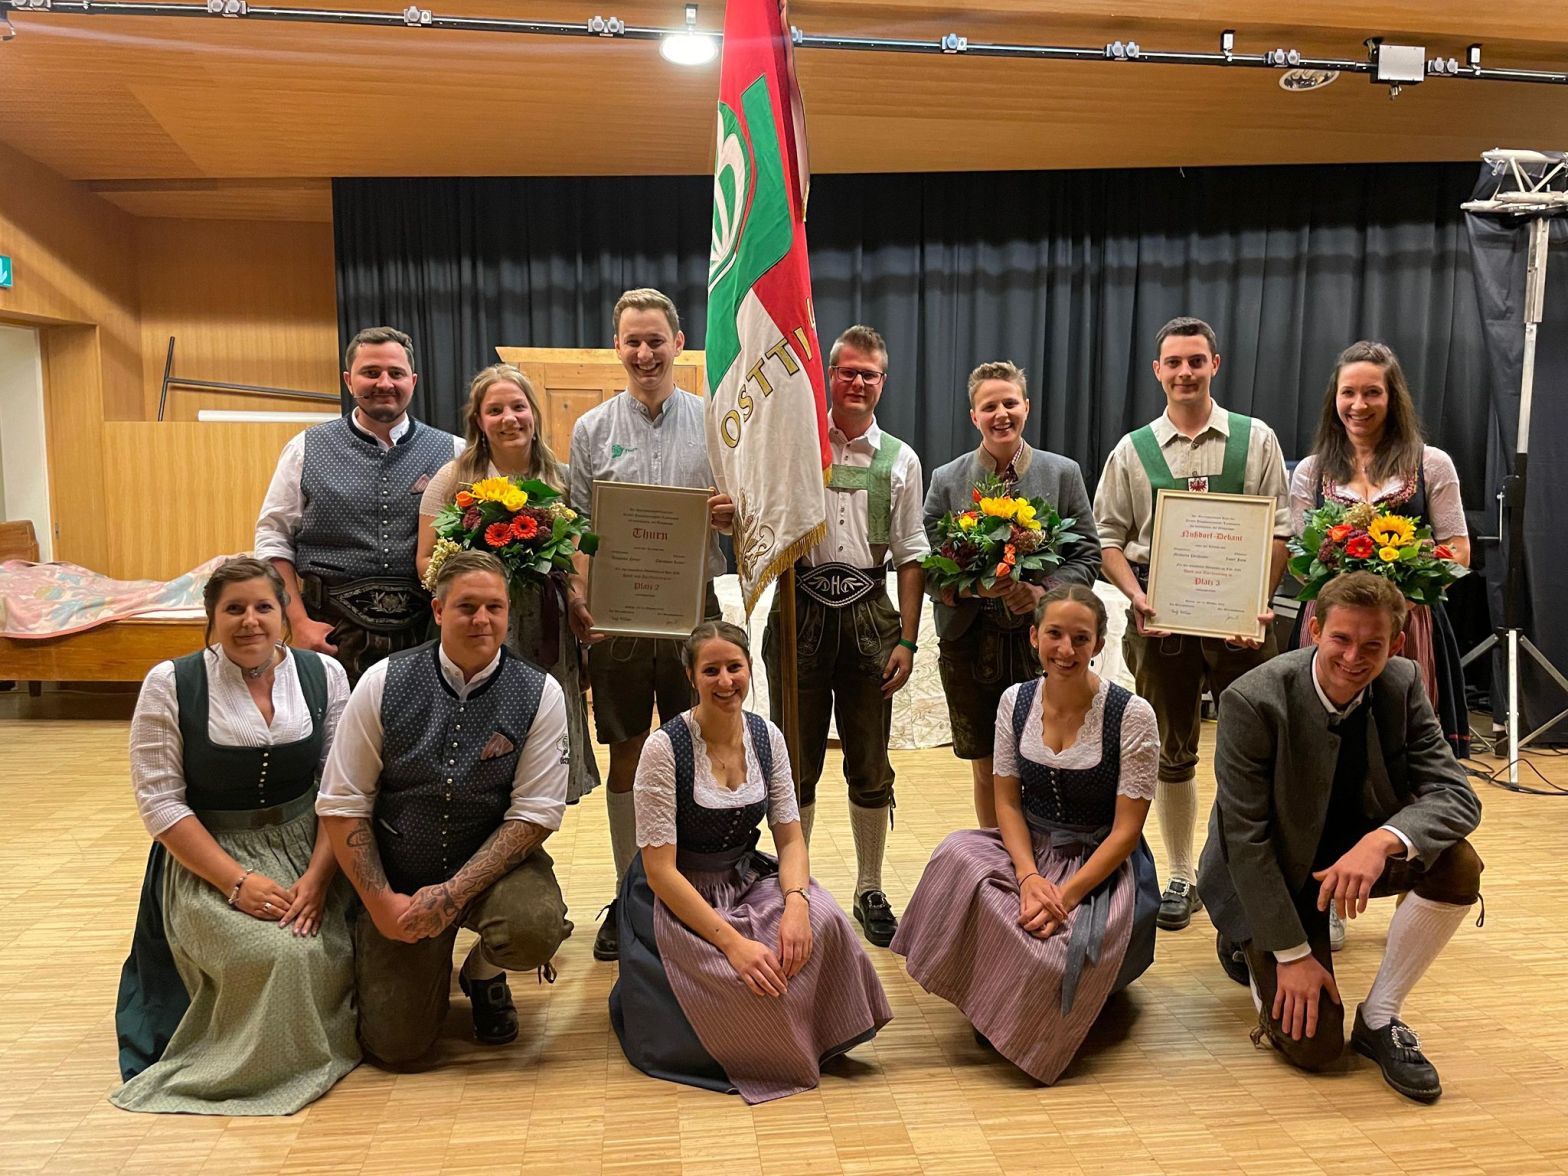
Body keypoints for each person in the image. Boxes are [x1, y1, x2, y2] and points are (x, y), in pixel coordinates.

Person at [1198, 571, 1482, 1103]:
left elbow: (1458, 797)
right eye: (1341, 639)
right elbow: (1246, 838)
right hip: (1270, 869)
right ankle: (1246, 938)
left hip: (1351, 857)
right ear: (1314, 630)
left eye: (1373, 645)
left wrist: (1383, 841)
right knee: (1316, 1049)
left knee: (1458, 863)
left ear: (1396, 643)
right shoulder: (1252, 699)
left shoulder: (1402, 682)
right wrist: (1290, 954)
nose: (1354, 657)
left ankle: (1380, 1018)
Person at [112, 557, 356, 1115]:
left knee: (330, 948)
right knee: (277, 953)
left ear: (283, 614)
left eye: (263, 607)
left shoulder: (324, 674)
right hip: (210, 857)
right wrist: (236, 882)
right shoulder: (172, 683)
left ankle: (308, 1049)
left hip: (310, 848)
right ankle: (253, 1068)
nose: (250, 621)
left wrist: (318, 879)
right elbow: (161, 803)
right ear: (212, 617)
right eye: (234, 609)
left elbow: (339, 790)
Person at [610, 621, 892, 1103]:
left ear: (749, 669)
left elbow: (791, 839)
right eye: (711, 671)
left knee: (824, 921)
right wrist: (734, 944)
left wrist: (797, 904)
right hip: (678, 893)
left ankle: (808, 1032)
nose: (725, 681)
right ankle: (767, 1042)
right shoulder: (664, 748)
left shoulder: (766, 736)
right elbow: (660, 872)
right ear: (690, 676)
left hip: (743, 876)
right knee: (740, 975)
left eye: (734, 667)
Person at [891, 586, 1159, 1084]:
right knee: (956, 853)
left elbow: (1126, 832)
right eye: (1054, 634)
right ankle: (996, 994)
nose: (1066, 650)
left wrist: (1065, 896)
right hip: (1030, 847)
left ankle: (1018, 1011)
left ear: (1099, 645)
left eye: (1081, 638)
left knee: (1052, 949)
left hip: (1099, 862)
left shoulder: (1132, 714)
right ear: (1034, 636)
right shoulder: (1015, 701)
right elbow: (1008, 804)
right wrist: (1030, 876)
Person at [317, 550, 571, 1067]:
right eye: (466, 607)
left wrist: (452, 895)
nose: (482, 620)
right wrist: (381, 903)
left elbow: (535, 814)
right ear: (437, 610)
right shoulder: (382, 681)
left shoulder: (541, 691)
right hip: (400, 872)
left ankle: (482, 972)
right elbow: (343, 803)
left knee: (533, 927)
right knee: (396, 1048)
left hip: (491, 868)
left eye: (495, 607)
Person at [1093, 316, 1291, 933]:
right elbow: (1108, 539)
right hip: (1162, 623)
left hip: (1242, 623)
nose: (1185, 372)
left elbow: (1280, 531)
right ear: (1158, 371)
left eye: (1196, 361)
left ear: (1215, 365)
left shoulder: (1256, 439)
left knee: (1255, 750)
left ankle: (1236, 868)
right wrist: (1136, 597)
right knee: (1170, 750)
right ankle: (1182, 874)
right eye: (1174, 362)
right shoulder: (1132, 449)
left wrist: (1258, 602)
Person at [568, 288, 734, 962]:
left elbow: (744, 513)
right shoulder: (590, 430)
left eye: (655, 340)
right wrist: (580, 598)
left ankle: (694, 887)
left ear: (678, 344)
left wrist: (731, 514)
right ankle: (627, 892)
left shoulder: (715, 422)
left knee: (700, 747)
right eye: (632, 341)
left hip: (695, 611)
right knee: (629, 753)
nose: (644, 353)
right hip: (620, 619)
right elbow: (581, 530)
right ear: (617, 347)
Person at [761, 325, 928, 948]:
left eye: (869, 374)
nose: (858, 382)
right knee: (794, 761)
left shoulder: (901, 459)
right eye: (848, 371)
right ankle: (796, 887)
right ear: (828, 375)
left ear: (883, 382)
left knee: (870, 761)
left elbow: (911, 553)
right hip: (799, 610)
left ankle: (869, 886)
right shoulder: (794, 444)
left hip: (869, 616)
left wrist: (907, 640)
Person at [924, 360, 1101, 827]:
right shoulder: (946, 480)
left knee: (1044, 760)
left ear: (1026, 407)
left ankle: (1043, 854)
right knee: (987, 767)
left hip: (1042, 644)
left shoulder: (1063, 474)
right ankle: (995, 857)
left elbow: (1088, 557)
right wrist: (972, 586)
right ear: (973, 416)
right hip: (969, 644)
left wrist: (1042, 592)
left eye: (1009, 403)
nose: (1000, 414)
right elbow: (926, 567)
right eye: (989, 407)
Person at [416, 362, 600, 806]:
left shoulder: (563, 479)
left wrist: (578, 601)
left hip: (547, 626)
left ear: (533, 413)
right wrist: (462, 597)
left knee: (544, 749)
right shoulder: (454, 479)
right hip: (478, 627)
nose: (509, 418)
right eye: (495, 410)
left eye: (518, 407)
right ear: (479, 421)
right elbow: (424, 559)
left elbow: (582, 553)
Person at [1290, 340, 1471, 756]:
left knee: (1404, 740)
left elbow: (1458, 549)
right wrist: (1340, 593)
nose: (1359, 405)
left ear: (1393, 398)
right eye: (1348, 393)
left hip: (1409, 623)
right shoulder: (1311, 471)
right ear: (1335, 399)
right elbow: (1301, 558)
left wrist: (1405, 591)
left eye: (1372, 392)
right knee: (1324, 739)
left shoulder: (1431, 463)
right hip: (1330, 623)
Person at [255, 326, 463, 685]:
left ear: (413, 381)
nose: (384, 383)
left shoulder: (456, 453)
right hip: (330, 633)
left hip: (427, 634)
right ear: (349, 380)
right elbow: (274, 540)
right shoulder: (304, 449)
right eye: (371, 372)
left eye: (396, 373)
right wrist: (299, 623)